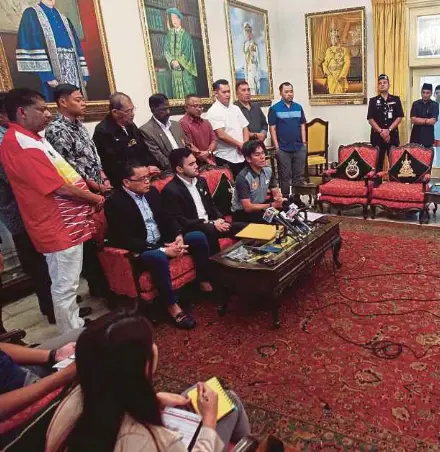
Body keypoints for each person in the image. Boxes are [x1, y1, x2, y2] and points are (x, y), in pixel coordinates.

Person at [46, 311, 251, 451]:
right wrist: (209, 420)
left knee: (194, 398)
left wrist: (155, 398)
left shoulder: (76, 397)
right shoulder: (150, 441)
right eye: (151, 343)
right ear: (140, 366)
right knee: (229, 400)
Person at [0, 89, 104, 334]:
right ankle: (72, 336)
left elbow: (66, 172)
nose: (48, 115)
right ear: (22, 113)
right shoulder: (19, 144)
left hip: (67, 222)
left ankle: (75, 324)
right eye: (42, 109)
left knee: (69, 282)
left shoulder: (35, 137)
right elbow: (60, 188)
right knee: (64, 286)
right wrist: (94, 198)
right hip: (56, 224)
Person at [104, 160, 214, 329]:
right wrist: (163, 250)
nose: (147, 181)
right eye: (142, 179)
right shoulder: (115, 203)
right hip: (142, 249)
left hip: (163, 240)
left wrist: (177, 236)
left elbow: (167, 218)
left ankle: (204, 282)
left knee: (197, 237)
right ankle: (172, 306)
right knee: (157, 257)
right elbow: (124, 239)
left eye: (148, 177)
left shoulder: (152, 192)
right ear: (127, 182)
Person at [45, 83, 111, 301]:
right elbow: (67, 168)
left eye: (83, 99)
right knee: (89, 246)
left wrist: (103, 177)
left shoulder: (79, 125)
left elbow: (92, 157)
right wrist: (93, 186)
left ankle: (108, 282)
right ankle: (99, 287)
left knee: (103, 238)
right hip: (80, 195)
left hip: (98, 188)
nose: (83, 103)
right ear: (62, 102)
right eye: (78, 99)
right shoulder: (56, 130)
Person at [0, 91, 54, 323]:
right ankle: (50, 309)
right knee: (36, 264)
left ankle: (54, 305)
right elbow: (14, 178)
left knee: (46, 262)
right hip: (18, 211)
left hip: (34, 209)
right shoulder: (8, 140)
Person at [162, 148, 246, 255]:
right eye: (191, 164)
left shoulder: (201, 181)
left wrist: (220, 219)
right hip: (193, 229)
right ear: (179, 169)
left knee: (243, 227)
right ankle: (218, 267)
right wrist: (211, 223)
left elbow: (211, 205)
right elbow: (181, 221)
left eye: (195, 162)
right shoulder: (171, 190)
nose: (196, 166)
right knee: (209, 231)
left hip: (212, 224)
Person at [16, 0, 89, 102]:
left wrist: (83, 75)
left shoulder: (64, 18)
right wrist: (46, 75)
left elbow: (77, 45)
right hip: (50, 67)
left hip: (73, 67)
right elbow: (32, 42)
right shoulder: (31, 14)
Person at [0, 332, 79, 422]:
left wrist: (54, 355)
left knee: (80, 335)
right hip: (17, 404)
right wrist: (61, 377)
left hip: (19, 369)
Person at [93, 92, 160, 186]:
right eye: (128, 111)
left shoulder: (130, 125)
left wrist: (151, 166)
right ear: (115, 112)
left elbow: (143, 149)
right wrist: (144, 170)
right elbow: (114, 162)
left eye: (133, 109)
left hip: (144, 174)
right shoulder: (103, 131)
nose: (132, 114)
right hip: (124, 180)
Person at [268, 82, 307, 205]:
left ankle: (297, 198)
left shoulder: (298, 107)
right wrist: (277, 147)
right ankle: (285, 200)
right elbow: (272, 128)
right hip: (283, 148)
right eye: (286, 92)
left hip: (299, 147)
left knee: (298, 175)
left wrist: (304, 143)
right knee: (285, 176)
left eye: (291, 91)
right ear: (280, 93)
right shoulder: (274, 109)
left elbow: (302, 125)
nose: (289, 94)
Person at [231, 140, 284, 223]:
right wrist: (271, 205)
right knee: (273, 222)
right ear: (248, 159)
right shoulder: (242, 177)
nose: (262, 157)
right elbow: (247, 207)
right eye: (257, 155)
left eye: (262, 153)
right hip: (243, 213)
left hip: (261, 206)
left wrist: (279, 199)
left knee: (286, 209)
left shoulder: (268, 170)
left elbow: (275, 192)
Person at [206, 80, 249, 178]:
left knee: (245, 185)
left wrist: (245, 145)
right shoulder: (213, 111)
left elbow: (245, 127)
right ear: (216, 93)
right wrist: (240, 145)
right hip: (225, 156)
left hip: (241, 154)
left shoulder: (235, 108)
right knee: (232, 189)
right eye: (224, 92)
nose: (228, 95)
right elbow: (221, 134)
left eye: (229, 91)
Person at [367, 74, 404, 171]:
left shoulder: (396, 99)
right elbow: (370, 119)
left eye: (384, 83)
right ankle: (376, 184)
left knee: (394, 163)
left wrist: (388, 130)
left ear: (389, 85)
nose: (382, 85)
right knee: (378, 164)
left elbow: (399, 117)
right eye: (380, 83)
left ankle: (393, 185)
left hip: (393, 136)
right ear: (378, 86)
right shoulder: (373, 101)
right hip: (377, 137)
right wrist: (381, 132)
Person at [139, 93, 185, 170]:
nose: (168, 112)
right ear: (153, 109)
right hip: (169, 171)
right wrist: (180, 169)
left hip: (186, 168)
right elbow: (160, 158)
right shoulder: (146, 131)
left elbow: (186, 146)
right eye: (163, 109)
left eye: (169, 108)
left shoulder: (175, 125)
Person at [164, 7, 197, 99]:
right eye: (171, 18)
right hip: (175, 70)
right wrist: (172, 61)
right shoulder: (168, 35)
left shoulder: (186, 36)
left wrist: (178, 62)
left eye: (175, 18)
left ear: (179, 19)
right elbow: (166, 50)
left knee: (188, 93)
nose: (173, 20)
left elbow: (188, 53)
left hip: (185, 71)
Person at [180, 94, 216, 164]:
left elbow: (214, 141)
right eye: (195, 106)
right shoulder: (182, 123)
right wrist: (207, 160)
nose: (199, 109)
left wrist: (208, 152)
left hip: (211, 160)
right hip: (195, 164)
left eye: (201, 106)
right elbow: (189, 145)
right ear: (186, 107)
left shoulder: (206, 122)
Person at [322, 28, 350, 95]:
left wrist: (342, 75)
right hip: (331, 77)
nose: (333, 39)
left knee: (340, 95)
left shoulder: (344, 50)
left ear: (338, 38)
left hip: (340, 76)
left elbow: (347, 63)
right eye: (332, 38)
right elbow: (325, 63)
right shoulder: (328, 50)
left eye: (335, 37)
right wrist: (327, 72)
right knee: (332, 95)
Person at [410, 83, 439, 148]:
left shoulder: (435, 105)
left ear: (431, 93)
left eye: (427, 93)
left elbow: (432, 121)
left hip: (428, 138)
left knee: (427, 157)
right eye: (423, 92)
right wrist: (427, 121)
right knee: (414, 157)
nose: (425, 95)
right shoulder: (415, 104)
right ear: (421, 93)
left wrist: (418, 120)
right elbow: (413, 120)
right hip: (415, 137)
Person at [243, 23, 261, 95]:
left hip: (254, 70)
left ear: (251, 33)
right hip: (247, 71)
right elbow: (245, 61)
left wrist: (258, 75)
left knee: (254, 90)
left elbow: (258, 62)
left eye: (249, 32)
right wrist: (245, 74)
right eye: (246, 32)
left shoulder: (255, 45)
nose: (248, 34)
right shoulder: (245, 45)